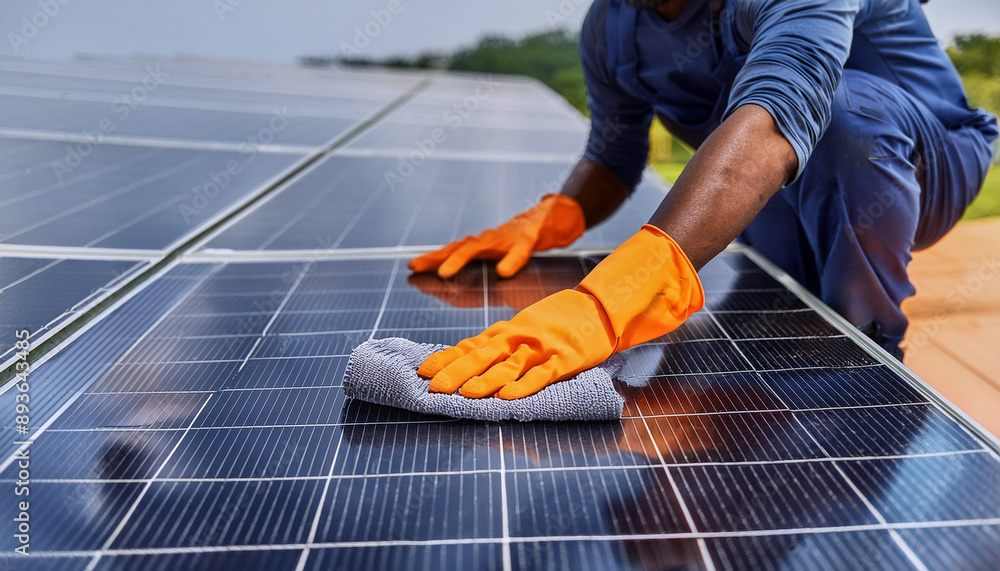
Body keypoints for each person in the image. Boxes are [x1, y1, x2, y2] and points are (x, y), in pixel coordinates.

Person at [407, 0, 998, 400]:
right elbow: (614, 155)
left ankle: (865, 354)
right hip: (774, 183)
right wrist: (555, 216)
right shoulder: (611, 26)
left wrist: (610, 301)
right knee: (779, 307)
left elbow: (782, 110)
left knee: (843, 116)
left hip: (925, 159)